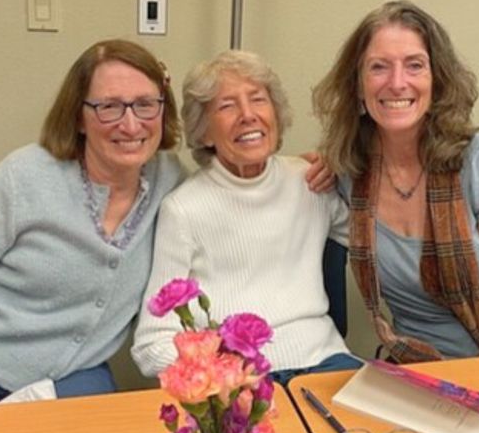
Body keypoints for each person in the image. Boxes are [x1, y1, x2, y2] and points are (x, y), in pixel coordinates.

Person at [0, 39, 186, 411]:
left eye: (145, 104)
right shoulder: (25, 177)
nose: (131, 124)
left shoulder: (171, 182)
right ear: (78, 116)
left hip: (66, 384)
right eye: (109, 106)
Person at [312, 0, 479, 363]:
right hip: (415, 359)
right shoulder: (350, 169)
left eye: (414, 65)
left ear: (437, 80)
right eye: (379, 67)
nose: (397, 83)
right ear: (358, 86)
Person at [132, 50, 361, 385]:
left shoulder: (310, 181)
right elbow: (152, 343)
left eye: (258, 100)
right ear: (204, 131)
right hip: (239, 381)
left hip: (327, 361)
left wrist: (343, 176)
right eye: (227, 106)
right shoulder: (183, 209)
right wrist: (218, 377)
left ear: (276, 115)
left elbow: (376, 241)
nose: (248, 115)